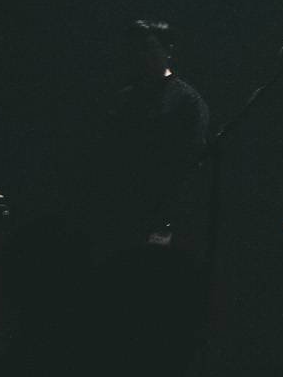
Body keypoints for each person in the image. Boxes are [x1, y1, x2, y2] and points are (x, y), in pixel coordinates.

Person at [83, 19, 210, 263]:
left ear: (167, 51)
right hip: (122, 212)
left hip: (163, 215)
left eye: (150, 47)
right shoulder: (125, 99)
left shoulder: (186, 100)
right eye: (137, 49)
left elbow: (192, 163)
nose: (142, 56)